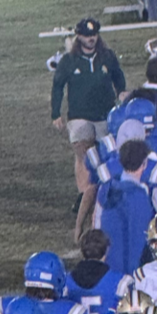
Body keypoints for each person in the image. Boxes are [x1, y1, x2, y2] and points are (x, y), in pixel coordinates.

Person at [50, 17, 126, 202]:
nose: (91, 38)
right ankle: (84, 195)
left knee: (106, 153)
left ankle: (105, 188)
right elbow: (58, 85)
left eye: (93, 34)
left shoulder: (108, 56)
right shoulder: (68, 61)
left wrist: (121, 92)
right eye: (86, 35)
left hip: (104, 114)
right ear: (79, 37)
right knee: (83, 155)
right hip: (79, 116)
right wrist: (55, 113)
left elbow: (118, 76)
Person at [93, 139, 157, 275]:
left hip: (109, 269)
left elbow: (96, 226)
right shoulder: (142, 196)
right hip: (137, 270)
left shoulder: (105, 189)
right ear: (144, 163)